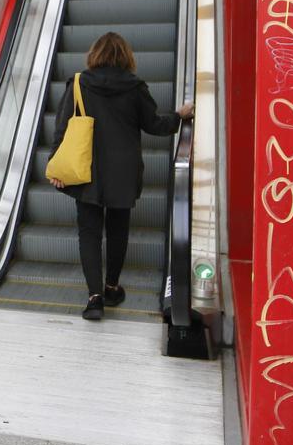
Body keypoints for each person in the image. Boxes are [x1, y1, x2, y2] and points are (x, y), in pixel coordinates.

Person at [47, 32, 193, 321]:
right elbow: (155, 125)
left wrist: (55, 166)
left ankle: (94, 298)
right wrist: (179, 116)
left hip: (86, 169)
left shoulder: (79, 83)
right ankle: (112, 287)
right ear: (126, 57)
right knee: (118, 230)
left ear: (94, 54)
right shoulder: (135, 87)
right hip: (123, 171)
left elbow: (62, 128)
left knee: (89, 232)